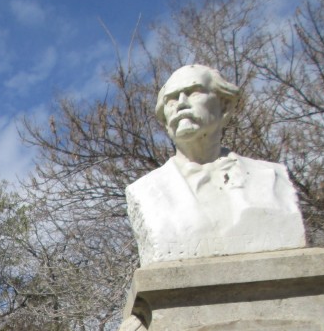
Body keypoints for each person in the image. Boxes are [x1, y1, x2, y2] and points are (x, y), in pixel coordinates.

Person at [126, 64, 305, 265]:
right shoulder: (147, 191)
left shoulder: (272, 176)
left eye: (194, 92)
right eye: (171, 99)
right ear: (166, 121)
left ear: (225, 106)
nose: (181, 104)